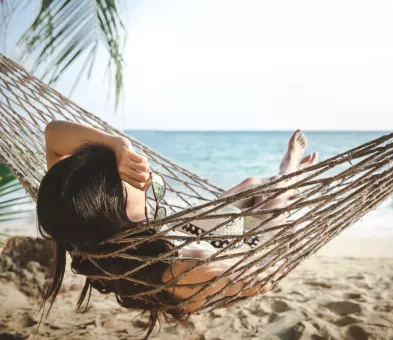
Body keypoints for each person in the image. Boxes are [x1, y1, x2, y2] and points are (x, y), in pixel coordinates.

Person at [37, 120, 317, 336]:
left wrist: (117, 144)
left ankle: (281, 178)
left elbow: (52, 134)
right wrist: (277, 243)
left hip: (184, 232)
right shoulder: (184, 268)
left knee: (252, 185)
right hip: (246, 248)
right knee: (273, 205)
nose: (144, 179)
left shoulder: (73, 220)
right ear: (117, 212)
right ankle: (289, 170)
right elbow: (261, 275)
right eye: (133, 182)